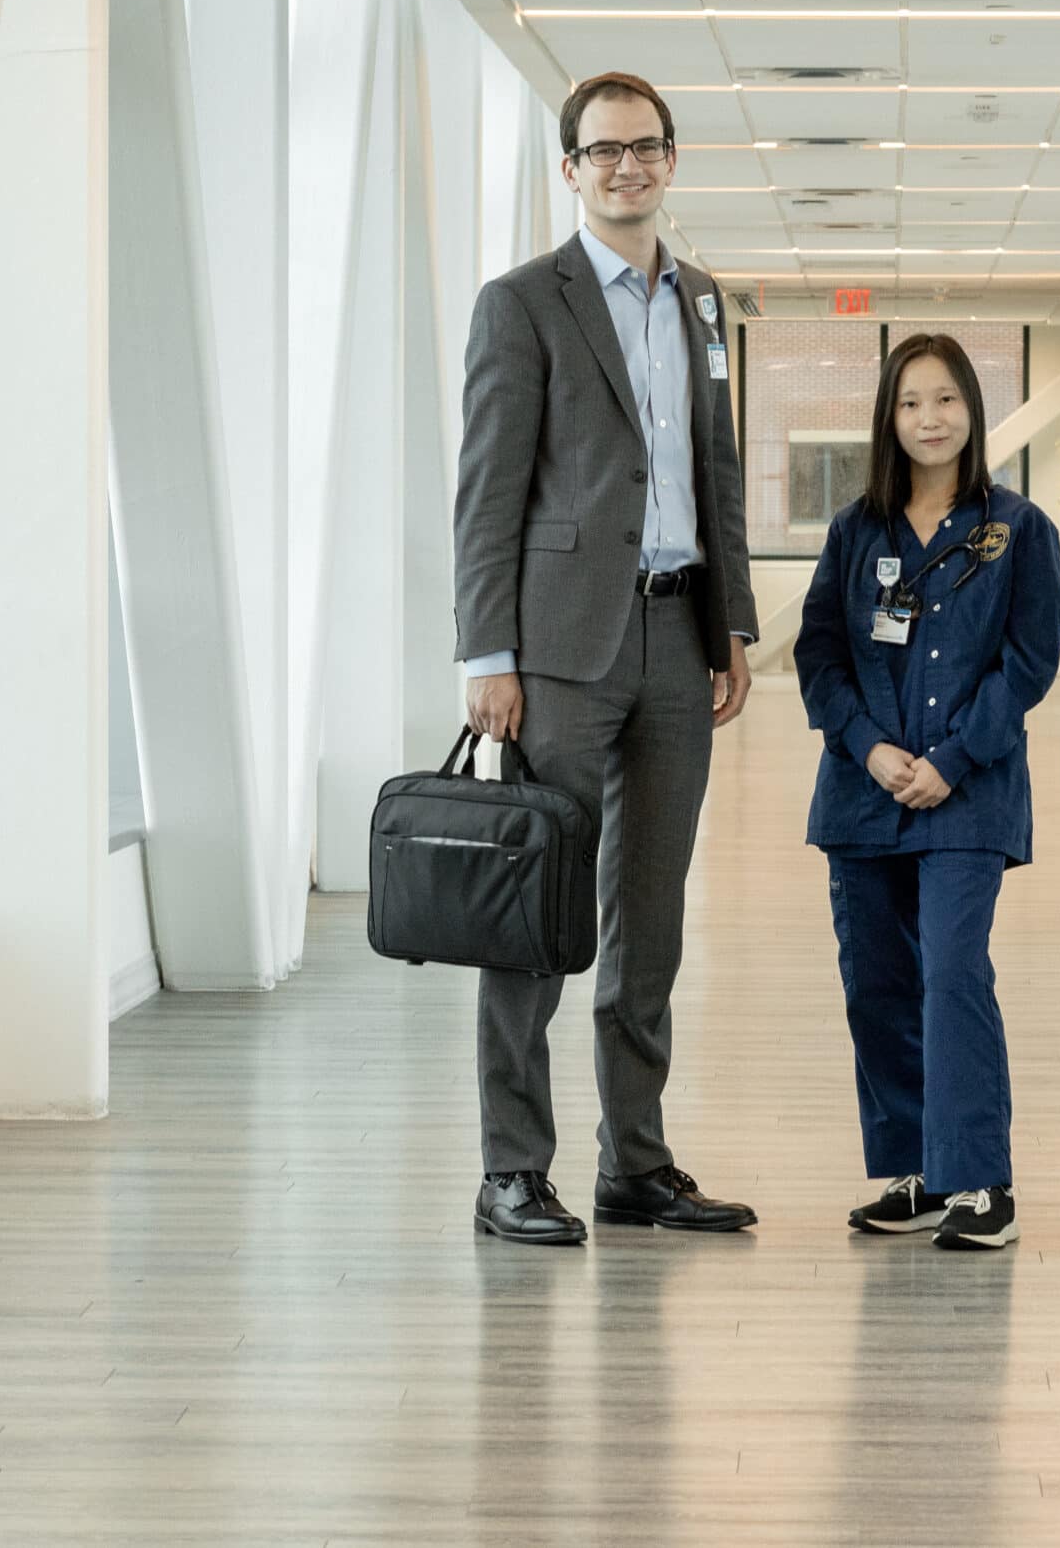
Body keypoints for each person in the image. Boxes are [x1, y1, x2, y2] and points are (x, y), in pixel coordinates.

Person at [452, 70, 761, 1246]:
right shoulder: (523, 302)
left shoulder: (704, 302)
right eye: (603, 152)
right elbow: (487, 490)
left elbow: (718, 473)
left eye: (646, 148)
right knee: (538, 912)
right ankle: (510, 1170)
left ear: (672, 161)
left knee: (651, 916)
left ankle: (635, 1162)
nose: (626, 168)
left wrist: (733, 619)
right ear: (570, 169)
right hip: (561, 649)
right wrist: (489, 651)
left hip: (679, 638)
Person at [795, 334, 1060, 1252]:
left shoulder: (1019, 530)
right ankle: (916, 1171)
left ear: (973, 413)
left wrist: (951, 759)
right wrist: (871, 751)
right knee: (877, 983)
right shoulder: (852, 532)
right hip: (863, 794)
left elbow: (1028, 664)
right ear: (889, 417)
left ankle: (982, 1180)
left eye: (946, 400)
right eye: (911, 402)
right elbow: (820, 658)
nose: (930, 419)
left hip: (968, 792)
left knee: (952, 973)